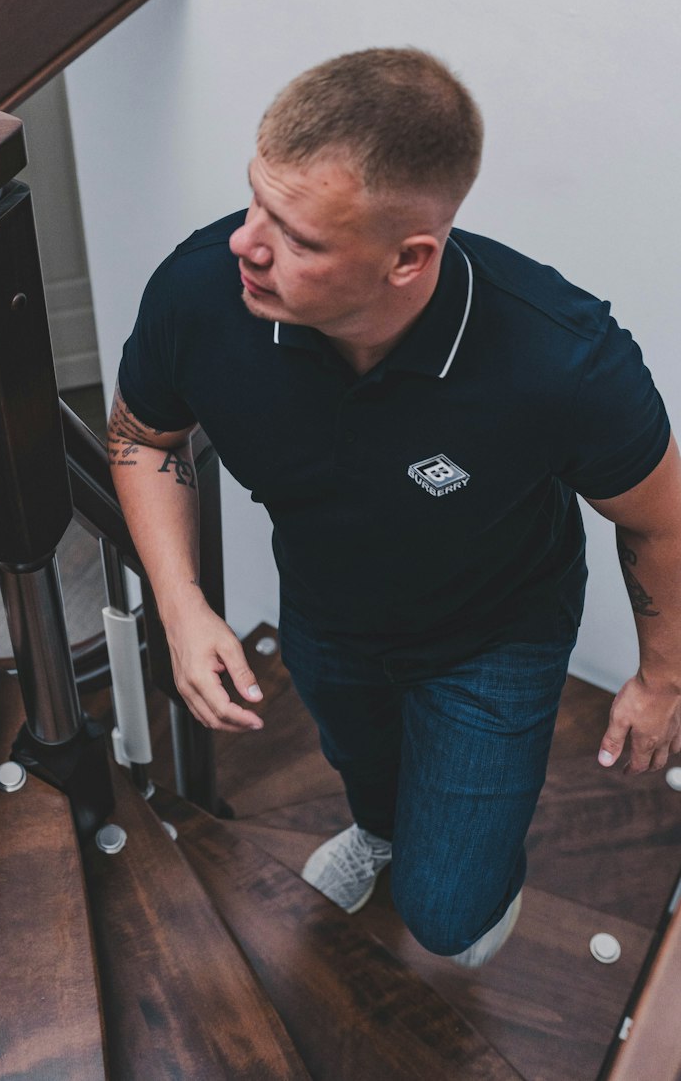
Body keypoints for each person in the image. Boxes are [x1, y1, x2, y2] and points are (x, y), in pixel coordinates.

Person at [107, 48, 681, 968]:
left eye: (298, 237)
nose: (245, 244)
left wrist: (662, 681)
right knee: (367, 775)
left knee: (447, 918)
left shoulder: (562, 361)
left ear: (408, 259)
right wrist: (182, 609)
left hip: (495, 636)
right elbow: (144, 438)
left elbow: (659, 517)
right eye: (255, 201)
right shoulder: (203, 295)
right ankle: (381, 828)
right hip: (329, 615)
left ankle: (462, 867)